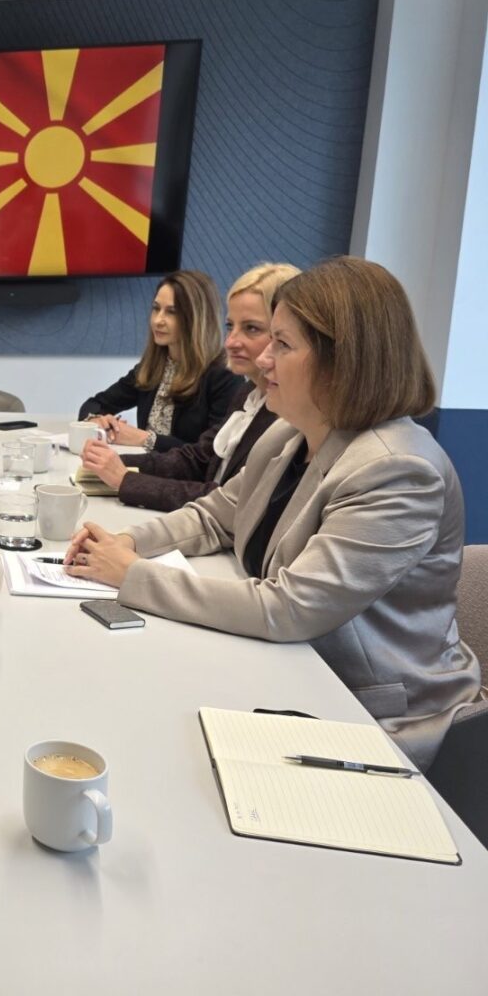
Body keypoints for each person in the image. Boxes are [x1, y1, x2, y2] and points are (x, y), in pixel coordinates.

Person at [64, 258, 480, 768]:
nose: (262, 359)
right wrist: (130, 542)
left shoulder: (399, 470)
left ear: (342, 360)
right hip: (288, 673)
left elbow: (290, 608)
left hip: (371, 717)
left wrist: (133, 575)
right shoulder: (290, 433)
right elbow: (216, 514)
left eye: (281, 344)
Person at [79, 263, 298, 510]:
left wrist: (126, 478)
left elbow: (229, 500)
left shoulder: (278, 408)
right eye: (230, 326)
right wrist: (110, 461)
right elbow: (201, 458)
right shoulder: (248, 394)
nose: (230, 341)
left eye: (251, 328)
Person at [78, 269, 241, 453]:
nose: (158, 320)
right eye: (156, 308)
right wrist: (96, 421)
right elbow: (94, 404)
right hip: (143, 467)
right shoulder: (152, 367)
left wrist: (145, 438)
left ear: (197, 318)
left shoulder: (225, 375)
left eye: (171, 312)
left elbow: (210, 452)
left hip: (178, 472)